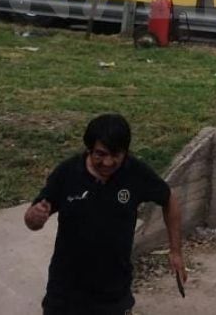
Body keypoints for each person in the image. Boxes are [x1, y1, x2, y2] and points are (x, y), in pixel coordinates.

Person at [25, 113, 186, 314]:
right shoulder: (67, 174)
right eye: (100, 154)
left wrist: (175, 251)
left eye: (116, 154)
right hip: (65, 291)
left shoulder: (135, 173)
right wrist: (34, 218)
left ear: (125, 152)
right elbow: (32, 220)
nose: (108, 162)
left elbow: (169, 200)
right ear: (89, 149)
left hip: (113, 294)